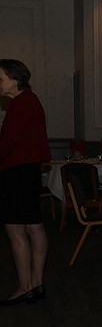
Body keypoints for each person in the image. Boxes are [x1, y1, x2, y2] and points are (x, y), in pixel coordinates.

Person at [0, 59, 51, 306]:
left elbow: (7, 143)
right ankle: (36, 284)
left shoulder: (21, 104)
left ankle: (25, 286)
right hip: (27, 171)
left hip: (16, 173)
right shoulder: (30, 100)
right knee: (34, 226)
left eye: (0, 79)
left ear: (15, 79)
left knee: (16, 229)